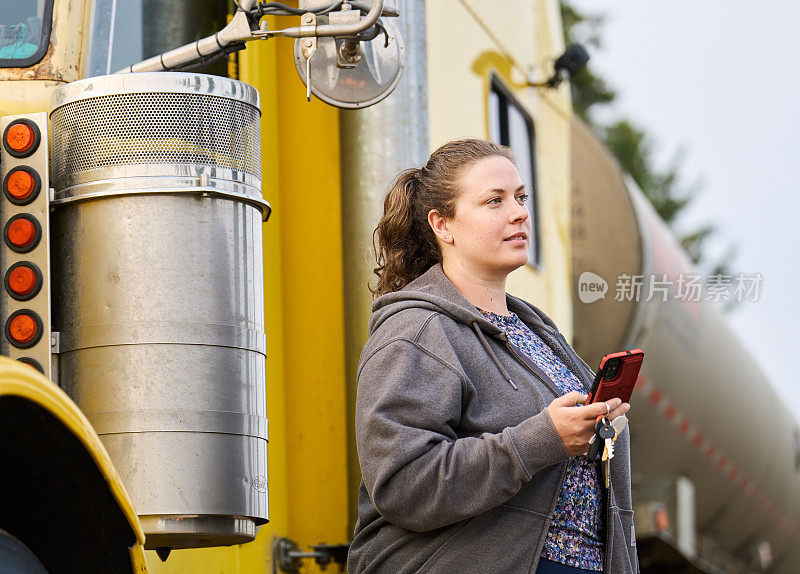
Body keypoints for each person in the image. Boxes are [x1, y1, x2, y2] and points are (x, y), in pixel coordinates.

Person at [347, 139, 638, 574]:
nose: (519, 212)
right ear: (443, 225)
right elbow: (403, 486)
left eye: (521, 197)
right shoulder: (416, 332)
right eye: (494, 201)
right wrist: (540, 439)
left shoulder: (537, 332)